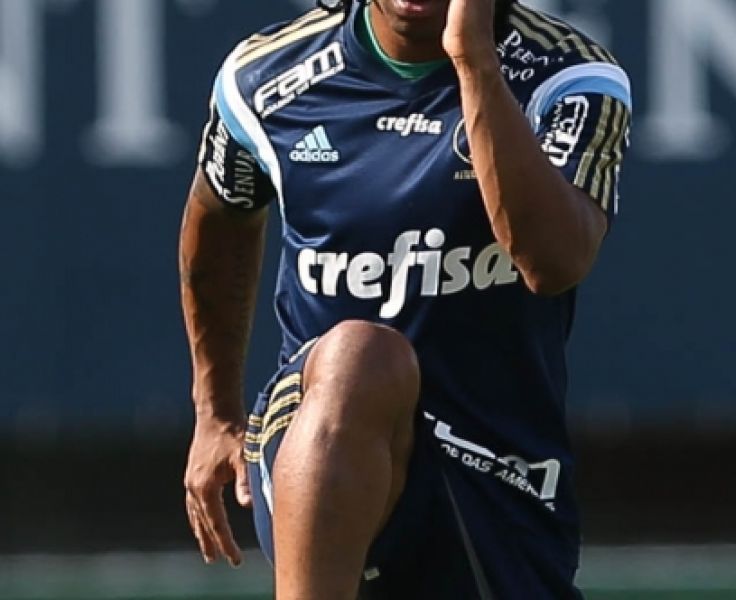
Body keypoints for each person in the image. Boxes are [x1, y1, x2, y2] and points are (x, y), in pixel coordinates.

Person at [179, 0, 631, 597]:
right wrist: (215, 412)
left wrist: (473, 59)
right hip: (315, 441)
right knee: (361, 359)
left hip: (496, 470)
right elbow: (219, 215)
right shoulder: (265, 78)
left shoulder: (568, 78)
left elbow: (554, 263)